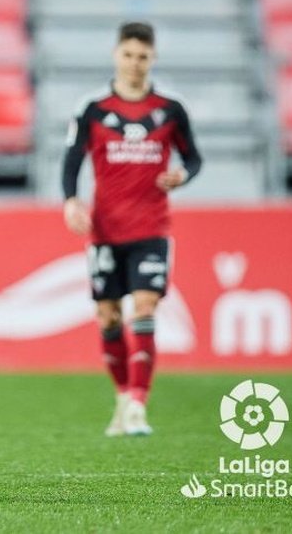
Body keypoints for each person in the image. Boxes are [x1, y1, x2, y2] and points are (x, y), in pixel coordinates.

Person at [61, 22, 202, 437]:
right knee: (107, 317)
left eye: (143, 56)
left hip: (151, 228)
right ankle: (123, 396)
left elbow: (194, 158)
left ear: (152, 59)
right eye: (128, 55)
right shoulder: (93, 109)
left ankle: (139, 403)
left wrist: (184, 175)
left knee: (144, 307)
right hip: (105, 229)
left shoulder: (170, 109)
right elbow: (71, 160)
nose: (135, 63)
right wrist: (71, 199)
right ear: (116, 56)